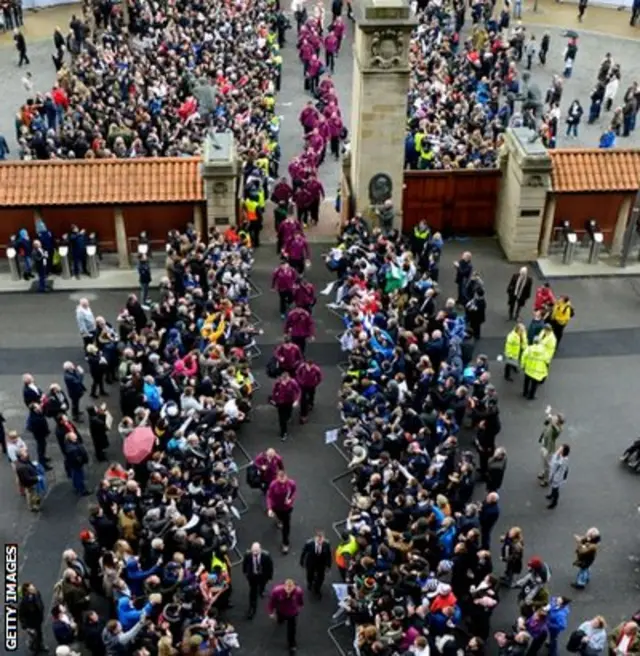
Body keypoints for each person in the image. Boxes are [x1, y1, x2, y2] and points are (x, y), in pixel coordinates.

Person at [268, 578, 304, 655]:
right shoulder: (276, 591)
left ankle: (291, 644)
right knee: (280, 620)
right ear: (284, 586)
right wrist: (271, 612)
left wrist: (299, 607)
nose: (289, 590)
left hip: (292, 612)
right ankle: (280, 620)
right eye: (287, 588)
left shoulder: (298, 592)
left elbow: (300, 601)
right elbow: (272, 603)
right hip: (281, 610)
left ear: (294, 587)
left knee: (292, 629)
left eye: (291, 588)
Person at [267, 469, 297, 554]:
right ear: (277, 478)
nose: (283, 482)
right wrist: (269, 508)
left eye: (284, 479)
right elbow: (269, 496)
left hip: (287, 508)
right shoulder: (273, 485)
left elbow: (294, 492)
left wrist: (291, 500)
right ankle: (279, 520)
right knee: (279, 517)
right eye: (281, 480)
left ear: (286, 476)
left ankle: (285, 543)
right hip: (276, 507)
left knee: (286, 526)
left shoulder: (291, 483)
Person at [242, 542, 274, 619]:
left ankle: (261, 590)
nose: (255, 553)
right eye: (253, 551)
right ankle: (252, 608)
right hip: (252, 576)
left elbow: (270, 566)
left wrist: (270, 576)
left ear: (260, 549)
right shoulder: (247, 555)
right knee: (253, 591)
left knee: (262, 585)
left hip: (263, 576)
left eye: (257, 551)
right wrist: (245, 573)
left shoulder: (266, 555)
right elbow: (244, 564)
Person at [299, 529, 332, 597]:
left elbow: (329, 555)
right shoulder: (309, 543)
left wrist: (328, 565)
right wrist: (302, 562)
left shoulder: (326, 544)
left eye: (321, 539)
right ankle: (310, 583)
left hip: (321, 563)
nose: (320, 541)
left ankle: (317, 589)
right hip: (311, 562)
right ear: (315, 538)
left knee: (321, 577)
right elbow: (304, 553)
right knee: (310, 574)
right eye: (318, 539)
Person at [18, 582, 48, 654]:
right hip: (30, 623)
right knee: (34, 636)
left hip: (38, 619)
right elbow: (21, 615)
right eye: (32, 588)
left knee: (39, 634)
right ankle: (33, 647)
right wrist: (25, 626)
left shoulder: (37, 593)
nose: (34, 588)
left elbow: (40, 603)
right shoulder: (24, 602)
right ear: (27, 590)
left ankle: (40, 646)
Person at [271, 371, 301, 441]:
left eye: (286, 380)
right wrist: (274, 399)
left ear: (288, 378)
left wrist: (297, 400)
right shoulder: (278, 383)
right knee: (282, 418)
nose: (284, 382)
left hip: (289, 402)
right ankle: (283, 432)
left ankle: (288, 417)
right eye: (283, 380)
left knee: (288, 413)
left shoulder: (293, 383)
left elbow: (298, 391)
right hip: (280, 402)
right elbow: (274, 391)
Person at [538, 408, 565, 487]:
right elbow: (546, 422)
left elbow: (553, 424)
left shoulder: (558, 429)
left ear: (558, 422)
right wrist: (548, 415)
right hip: (544, 443)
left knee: (547, 464)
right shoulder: (553, 423)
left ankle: (546, 479)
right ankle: (544, 472)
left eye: (557, 417)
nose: (555, 416)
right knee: (543, 460)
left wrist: (550, 415)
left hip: (549, 448)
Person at [546, 444, 570, 509]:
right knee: (553, 487)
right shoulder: (559, 456)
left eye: (560, 449)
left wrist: (552, 478)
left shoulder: (563, 461)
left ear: (563, 452)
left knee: (555, 490)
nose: (558, 449)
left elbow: (557, 469)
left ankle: (554, 502)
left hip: (557, 478)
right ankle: (551, 495)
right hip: (555, 476)